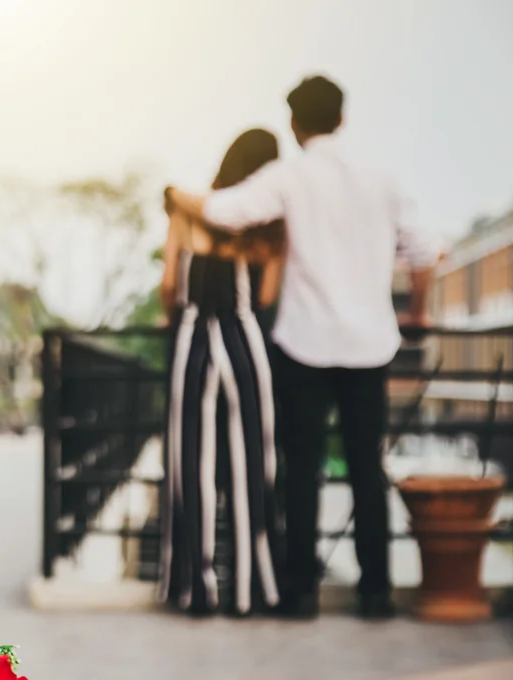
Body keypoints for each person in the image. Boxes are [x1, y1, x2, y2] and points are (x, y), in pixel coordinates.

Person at [168, 75, 440, 621]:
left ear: (294, 124)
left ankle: (300, 592)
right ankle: (375, 592)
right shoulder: (382, 178)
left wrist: (173, 196)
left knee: (302, 468)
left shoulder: (289, 176)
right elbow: (425, 252)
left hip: (304, 343)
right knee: (367, 468)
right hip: (369, 345)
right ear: (342, 118)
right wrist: (416, 312)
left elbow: (225, 212)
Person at [159, 129, 286, 617]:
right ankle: (251, 589)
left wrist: (171, 316)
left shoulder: (186, 213)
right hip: (244, 339)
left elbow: (169, 284)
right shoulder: (271, 227)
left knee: (190, 459)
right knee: (254, 460)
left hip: (192, 336)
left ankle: (196, 588)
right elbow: (267, 296)